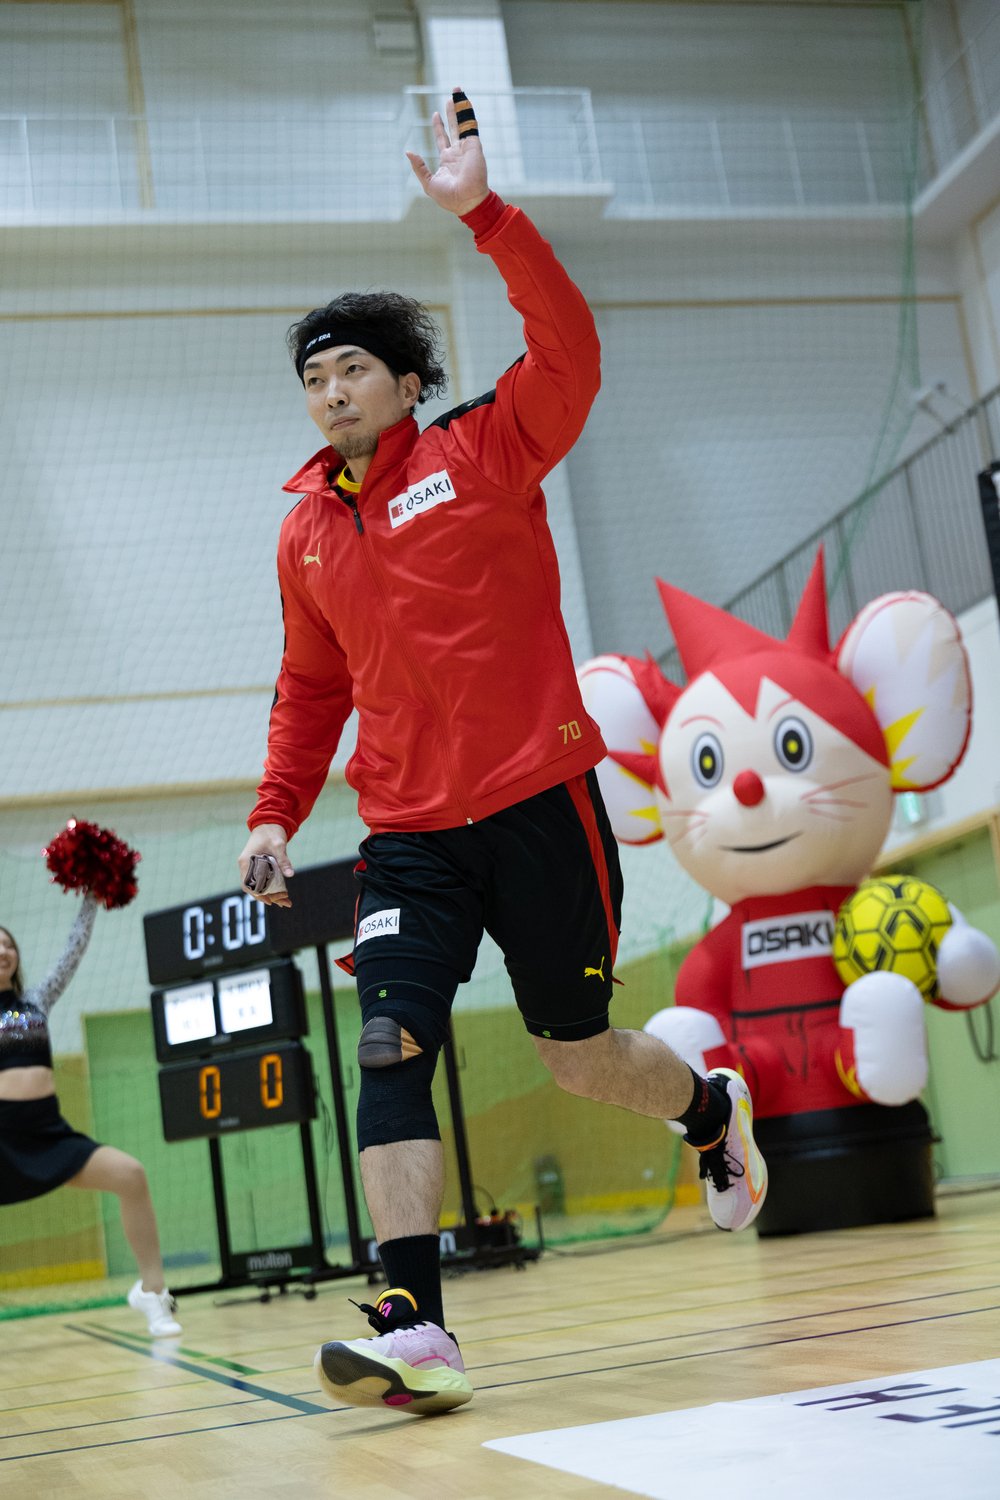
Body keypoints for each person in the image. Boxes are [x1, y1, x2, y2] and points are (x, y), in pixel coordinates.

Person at [238, 88, 767, 1417]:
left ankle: (707, 1113)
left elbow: (571, 349)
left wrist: (485, 215)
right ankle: (414, 1322)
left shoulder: (486, 446)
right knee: (388, 1044)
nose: (330, 393)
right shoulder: (304, 532)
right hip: (409, 833)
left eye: (351, 370)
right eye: (313, 379)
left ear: (406, 383)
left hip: (540, 807)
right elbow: (311, 688)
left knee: (577, 1054)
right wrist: (274, 812)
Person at [0, 905, 181, 1336]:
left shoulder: (35, 1002)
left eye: (7, 944)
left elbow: (73, 950)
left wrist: (91, 896)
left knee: (131, 1175)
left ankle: (153, 1293)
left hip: (47, 1131)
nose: (3, 951)